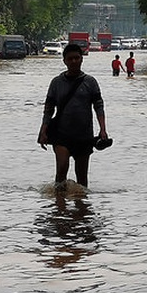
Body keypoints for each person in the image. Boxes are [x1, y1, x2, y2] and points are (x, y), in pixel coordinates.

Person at [38, 43, 108, 191]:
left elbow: (99, 107)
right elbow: (48, 109)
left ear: (82, 59)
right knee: (61, 169)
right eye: (70, 59)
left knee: (82, 178)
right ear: (64, 61)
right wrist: (43, 130)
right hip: (61, 135)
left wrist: (103, 129)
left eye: (77, 58)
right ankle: (59, 208)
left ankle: (82, 210)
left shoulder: (90, 82)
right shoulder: (56, 83)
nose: (74, 61)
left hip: (84, 136)